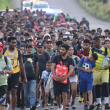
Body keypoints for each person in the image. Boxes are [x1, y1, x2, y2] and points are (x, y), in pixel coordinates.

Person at [3, 37, 27, 110]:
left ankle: (13, 109)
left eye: (15, 43)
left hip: (15, 72)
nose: (14, 44)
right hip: (6, 73)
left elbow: (22, 64)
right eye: (12, 42)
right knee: (6, 92)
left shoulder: (18, 51)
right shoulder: (4, 50)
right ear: (8, 42)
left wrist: (24, 77)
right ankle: (5, 107)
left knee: (14, 92)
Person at [89, 37, 110, 109]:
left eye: (94, 43)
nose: (93, 44)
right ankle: (99, 103)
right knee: (97, 87)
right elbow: (90, 60)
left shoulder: (106, 50)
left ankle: (107, 103)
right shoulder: (92, 50)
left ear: (99, 42)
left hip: (105, 70)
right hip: (96, 71)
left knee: (105, 85)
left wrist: (108, 65)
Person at [51, 44, 73, 110]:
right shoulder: (56, 57)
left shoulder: (70, 59)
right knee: (57, 95)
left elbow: (71, 69)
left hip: (65, 80)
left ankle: (64, 108)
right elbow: (52, 67)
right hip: (56, 79)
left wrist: (65, 77)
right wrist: (55, 76)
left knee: (64, 94)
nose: (61, 51)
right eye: (60, 49)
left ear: (66, 51)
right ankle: (59, 107)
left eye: (63, 50)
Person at [22, 43, 38, 110]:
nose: (29, 48)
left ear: (32, 48)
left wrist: (36, 76)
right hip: (25, 77)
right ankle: (28, 106)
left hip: (33, 77)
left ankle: (32, 106)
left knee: (33, 91)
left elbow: (37, 67)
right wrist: (20, 77)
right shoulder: (23, 56)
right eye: (28, 47)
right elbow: (21, 67)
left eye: (31, 47)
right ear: (26, 48)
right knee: (25, 93)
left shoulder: (35, 56)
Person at [35, 42, 50, 107]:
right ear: (37, 48)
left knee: (44, 88)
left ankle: (44, 101)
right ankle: (37, 100)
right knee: (37, 87)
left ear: (43, 48)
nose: (40, 49)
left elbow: (49, 63)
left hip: (45, 73)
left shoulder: (46, 54)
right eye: (39, 48)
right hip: (36, 72)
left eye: (41, 48)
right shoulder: (34, 55)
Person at [0, 42, 14, 110]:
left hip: (3, 84)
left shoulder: (6, 59)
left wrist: (5, 71)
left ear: (2, 51)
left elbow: (12, 71)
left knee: (1, 103)